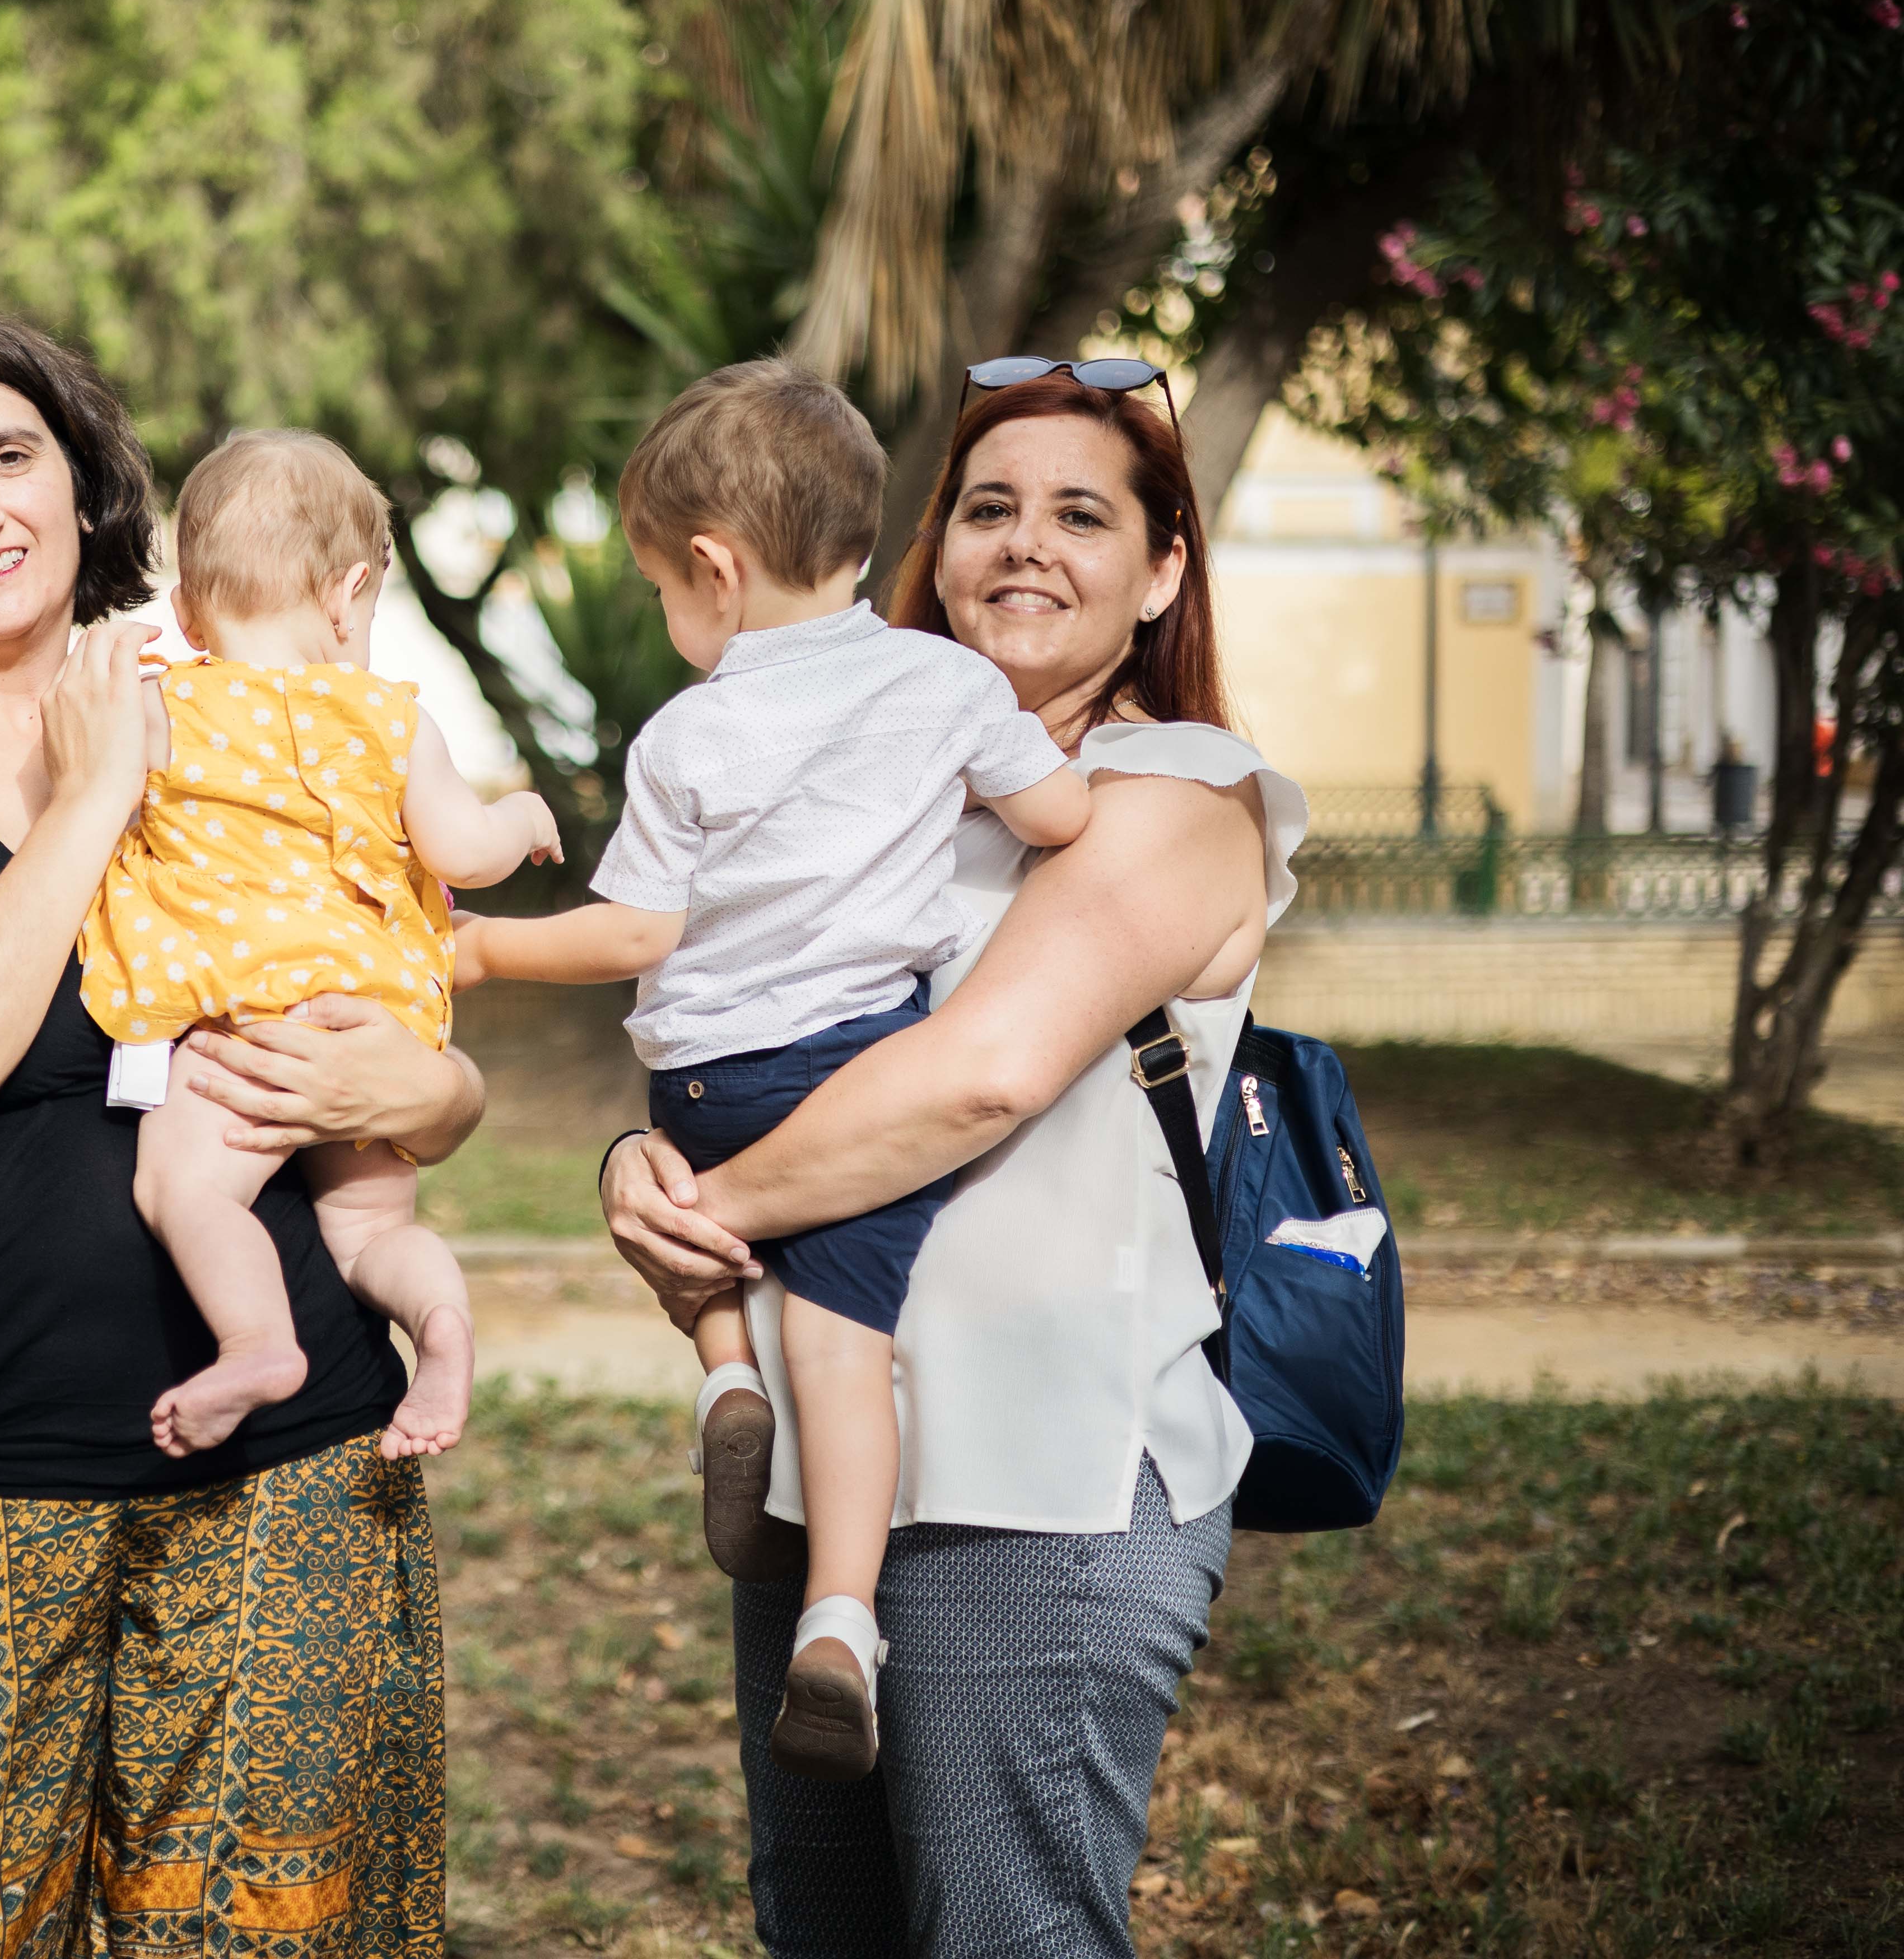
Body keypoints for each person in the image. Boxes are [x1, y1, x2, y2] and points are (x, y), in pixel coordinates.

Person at [0, 311, 478, 1956]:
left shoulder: (248, 706)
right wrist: (88, 798)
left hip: (287, 1477)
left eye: (11, 457)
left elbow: (408, 981)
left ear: (82, 482)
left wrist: (433, 1098)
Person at [599, 359, 1311, 1956]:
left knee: (1004, 1937)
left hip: (1038, 1489)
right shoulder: (876, 778)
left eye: (1082, 515)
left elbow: (978, 1080)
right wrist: (638, 1165)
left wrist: (707, 1207)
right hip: (825, 1490)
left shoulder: (1178, 793)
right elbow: (733, 1035)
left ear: (1163, 572)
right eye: (990, 507)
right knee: (822, 1931)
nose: (1025, 543)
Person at [450, 361, 1087, 1784]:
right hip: (860, 1075)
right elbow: (1058, 813)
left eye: (660, 592)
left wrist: (483, 951)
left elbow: (638, 935)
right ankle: (843, 1622)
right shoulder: (950, 681)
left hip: (706, 1084)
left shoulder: (690, 733)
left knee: (705, 1232)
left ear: (717, 572)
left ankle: (725, 1375)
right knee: (848, 1350)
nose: (668, 620)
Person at [83, 429, 559, 1462]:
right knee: (375, 1236)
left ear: (186, 612)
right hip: (371, 1027)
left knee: (185, 1190)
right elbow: (465, 854)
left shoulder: (166, 710)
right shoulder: (392, 721)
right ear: (348, 597)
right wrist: (522, 816)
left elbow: (89, 800)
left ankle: (258, 1344)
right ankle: (442, 1329)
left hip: (240, 1031)